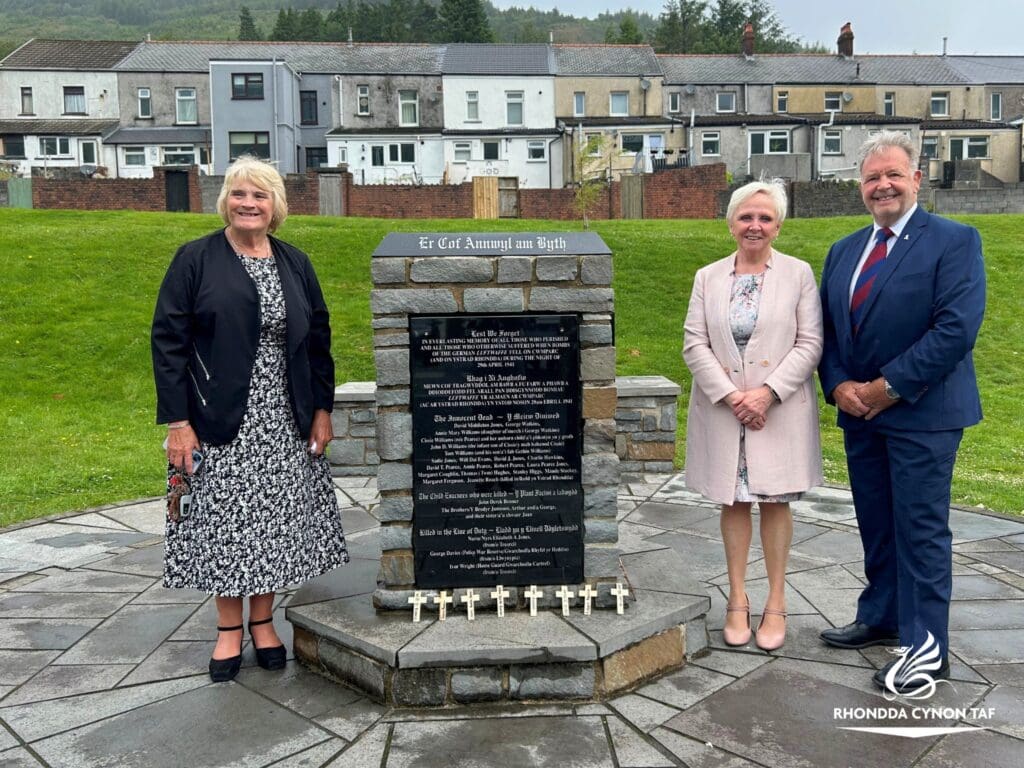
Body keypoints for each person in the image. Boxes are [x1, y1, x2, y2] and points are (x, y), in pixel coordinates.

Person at [151, 156, 349, 683]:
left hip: (284, 418)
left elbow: (318, 342)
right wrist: (177, 422)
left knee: (273, 523)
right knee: (223, 523)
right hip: (216, 419)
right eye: (239, 194)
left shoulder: (295, 262)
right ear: (225, 201)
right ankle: (228, 629)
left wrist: (322, 410)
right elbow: (168, 343)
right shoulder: (195, 259)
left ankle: (263, 621)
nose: (248, 204)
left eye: (259, 196)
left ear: (275, 206)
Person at [818, 131, 985, 694]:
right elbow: (831, 332)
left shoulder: (954, 241)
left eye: (892, 174)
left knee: (919, 531)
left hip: (923, 413)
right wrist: (840, 385)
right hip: (861, 415)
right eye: (871, 177)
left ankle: (924, 650)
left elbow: (955, 330)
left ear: (916, 178)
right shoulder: (844, 251)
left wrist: (886, 388)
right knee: (877, 524)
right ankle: (882, 616)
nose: (881, 185)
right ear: (860, 188)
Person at [683, 181, 823, 652]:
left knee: (775, 502)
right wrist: (731, 396)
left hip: (777, 410)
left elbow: (810, 343)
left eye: (764, 218)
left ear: (778, 225)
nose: (755, 226)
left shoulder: (799, 274)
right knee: (735, 500)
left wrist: (766, 394)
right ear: (730, 223)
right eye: (746, 217)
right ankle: (738, 600)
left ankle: (777, 601)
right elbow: (694, 344)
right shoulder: (707, 277)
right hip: (725, 412)